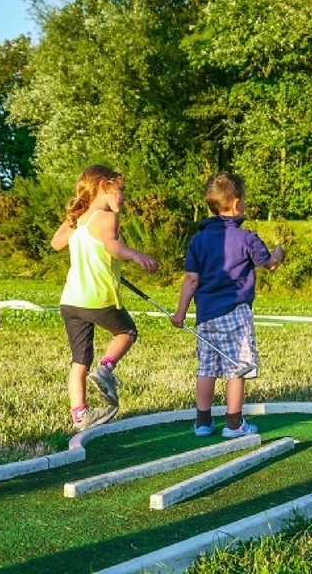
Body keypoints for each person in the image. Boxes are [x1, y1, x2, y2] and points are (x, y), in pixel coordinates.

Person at [171, 172, 285, 438]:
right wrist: (280, 251)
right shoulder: (247, 238)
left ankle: (202, 423)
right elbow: (271, 264)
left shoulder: (198, 239)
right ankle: (234, 424)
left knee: (207, 367)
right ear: (235, 204)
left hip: (205, 315)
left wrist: (180, 312)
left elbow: (191, 279)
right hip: (235, 312)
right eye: (243, 200)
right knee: (237, 367)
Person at [51, 164, 158, 431]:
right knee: (127, 333)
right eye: (119, 190)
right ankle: (107, 369)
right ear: (103, 187)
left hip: (71, 301)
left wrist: (72, 219)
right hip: (97, 298)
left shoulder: (78, 218)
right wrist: (134, 255)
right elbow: (111, 244)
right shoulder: (107, 217)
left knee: (79, 361)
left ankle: (79, 415)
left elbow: (56, 243)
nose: (122, 196)